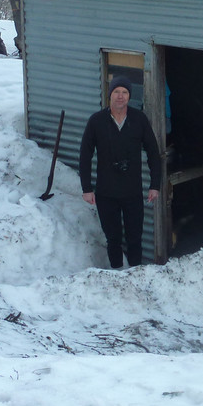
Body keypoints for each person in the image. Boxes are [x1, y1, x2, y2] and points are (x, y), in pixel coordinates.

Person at [79, 75, 162, 268]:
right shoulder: (97, 121)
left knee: (135, 237)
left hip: (132, 191)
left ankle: (135, 272)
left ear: (129, 96)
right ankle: (117, 273)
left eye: (124, 92)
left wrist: (155, 185)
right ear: (110, 94)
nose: (120, 96)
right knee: (113, 238)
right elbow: (85, 155)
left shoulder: (139, 119)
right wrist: (86, 188)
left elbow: (153, 153)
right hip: (106, 192)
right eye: (116, 91)